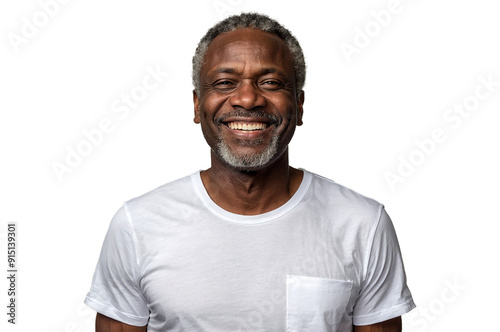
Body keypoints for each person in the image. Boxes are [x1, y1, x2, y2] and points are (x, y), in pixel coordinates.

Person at [85, 12, 415, 332]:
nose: (247, 98)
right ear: (197, 105)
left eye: (270, 82)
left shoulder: (363, 224)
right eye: (225, 82)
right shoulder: (137, 225)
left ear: (299, 106)